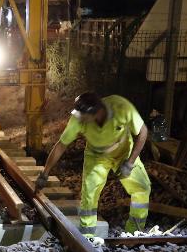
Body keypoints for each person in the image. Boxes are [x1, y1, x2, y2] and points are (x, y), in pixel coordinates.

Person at [35, 92, 151, 233]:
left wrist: (130, 162)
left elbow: (142, 132)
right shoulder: (79, 118)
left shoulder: (121, 107)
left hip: (124, 152)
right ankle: (88, 234)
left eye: (83, 116)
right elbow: (61, 145)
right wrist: (45, 173)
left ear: (96, 112)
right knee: (89, 194)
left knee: (142, 187)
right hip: (97, 156)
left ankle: (135, 231)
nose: (80, 119)